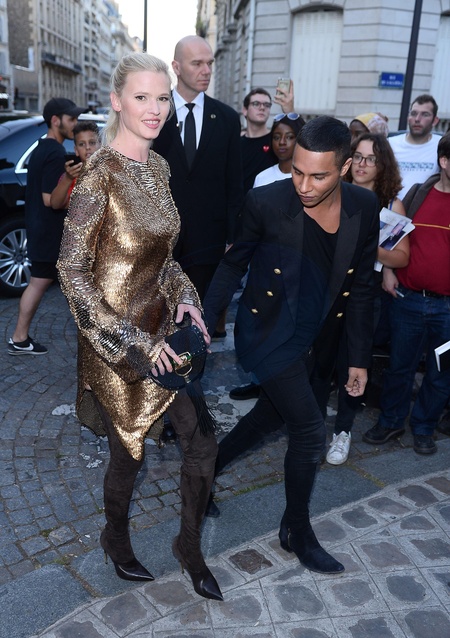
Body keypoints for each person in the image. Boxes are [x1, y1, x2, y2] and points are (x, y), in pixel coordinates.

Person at [57, 52, 223, 602]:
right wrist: (131, 342)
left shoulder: (160, 169)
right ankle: (116, 538)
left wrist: (187, 300)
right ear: (116, 101)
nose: (155, 109)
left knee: (202, 445)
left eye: (162, 98)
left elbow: (164, 260)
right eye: (141, 97)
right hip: (116, 345)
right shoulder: (98, 175)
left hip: (164, 337)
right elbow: (71, 271)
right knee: (128, 457)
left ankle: (189, 547)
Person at [203, 116, 379, 574]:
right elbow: (233, 265)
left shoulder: (365, 206)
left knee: (269, 417)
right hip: (269, 332)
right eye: (297, 171)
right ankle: (297, 530)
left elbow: (361, 288)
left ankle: (202, 475)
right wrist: (202, 320)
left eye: (317, 176)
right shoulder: (265, 201)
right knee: (308, 430)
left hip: (321, 338)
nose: (303, 185)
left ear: (345, 168)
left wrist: (358, 359)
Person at [152, 35, 244, 442]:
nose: (206, 70)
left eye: (209, 63)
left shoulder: (226, 118)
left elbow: (234, 182)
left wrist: (232, 237)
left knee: (195, 325)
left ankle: (186, 408)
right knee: (159, 322)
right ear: (176, 67)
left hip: (208, 243)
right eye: (197, 64)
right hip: (160, 242)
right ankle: (159, 403)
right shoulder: (156, 112)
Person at [325, 133, 410, 465]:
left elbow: (402, 257)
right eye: (358, 156)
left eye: (371, 158)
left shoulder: (392, 204)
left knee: (353, 362)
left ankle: (342, 431)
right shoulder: (334, 192)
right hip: (327, 292)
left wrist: (368, 245)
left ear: (382, 164)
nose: (362, 164)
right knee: (319, 361)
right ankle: (307, 428)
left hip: (365, 296)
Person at [363, 132, 450, 455]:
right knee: (399, 367)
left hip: (448, 309)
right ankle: (391, 421)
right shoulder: (417, 195)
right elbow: (393, 238)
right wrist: (388, 270)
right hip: (408, 300)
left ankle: (424, 428)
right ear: (444, 161)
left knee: (441, 373)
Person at [7, 97, 85, 356]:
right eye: (71, 119)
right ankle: (19, 338)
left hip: (41, 228)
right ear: (55, 120)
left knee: (42, 282)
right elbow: (51, 200)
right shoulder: (54, 153)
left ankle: (20, 338)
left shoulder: (43, 148)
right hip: (50, 231)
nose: (75, 124)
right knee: (40, 283)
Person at [241, 84, 294, 192]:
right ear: (245, 110)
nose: (262, 108)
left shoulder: (277, 142)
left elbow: (301, 143)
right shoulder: (235, 143)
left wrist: (290, 111)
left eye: (267, 105)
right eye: (256, 104)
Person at [389, 94, 440, 199]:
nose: (417, 119)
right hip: (389, 205)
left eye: (425, 114)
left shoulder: (441, 145)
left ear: (435, 120)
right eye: (413, 114)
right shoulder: (390, 144)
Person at [50, 121, 101, 209]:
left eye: (92, 143)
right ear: (76, 150)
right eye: (82, 144)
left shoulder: (110, 171)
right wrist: (67, 179)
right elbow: (55, 205)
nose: (87, 147)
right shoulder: (72, 175)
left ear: (100, 146)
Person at [253, 113, 305, 187]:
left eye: (289, 137)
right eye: (277, 137)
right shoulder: (261, 178)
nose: (282, 142)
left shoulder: (308, 178)